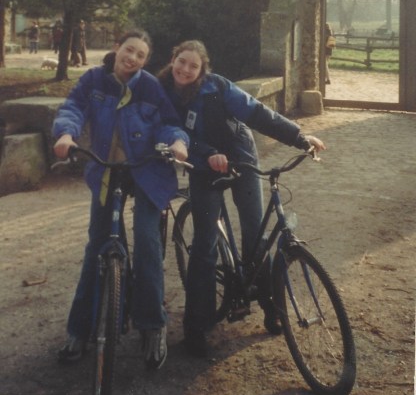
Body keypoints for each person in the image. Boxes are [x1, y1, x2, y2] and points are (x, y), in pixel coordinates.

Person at [158, 40, 326, 357]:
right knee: (205, 245)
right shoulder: (163, 91)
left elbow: (257, 112)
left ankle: (271, 307)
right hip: (201, 163)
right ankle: (197, 328)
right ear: (173, 59)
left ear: (202, 69)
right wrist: (207, 154)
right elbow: (170, 131)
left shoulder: (218, 87)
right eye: (182, 62)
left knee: (255, 234)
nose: (185, 70)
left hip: (240, 154)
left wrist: (299, 137)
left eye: (193, 66)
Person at [53, 30, 189, 370]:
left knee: (147, 243)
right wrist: (66, 134)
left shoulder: (149, 87)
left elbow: (170, 123)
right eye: (129, 50)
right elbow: (73, 106)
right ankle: (79, 330)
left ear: (145, 61)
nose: (133, 59)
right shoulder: (94, 79)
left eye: (141, 55)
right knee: (97, 245)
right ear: (117, 49)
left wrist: (177, 143)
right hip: (107, 169)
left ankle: (152, 326)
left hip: (146, 171)